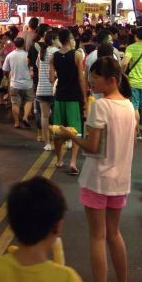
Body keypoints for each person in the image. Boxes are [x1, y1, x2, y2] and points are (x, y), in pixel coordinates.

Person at [60, 57, 137, 282]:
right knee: (114, 234)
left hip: (97, 179)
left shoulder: (100, 106)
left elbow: (92, 147)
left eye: (95, 77)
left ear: (111, 80)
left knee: (97, 236)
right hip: (120, 180)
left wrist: (71, 136)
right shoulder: (129, 106)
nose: (91, 81)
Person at [50, 28, 86, 175]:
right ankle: (72, 162)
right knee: (75, 131)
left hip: (60, 96)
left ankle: (59, 160)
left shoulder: (54, 56)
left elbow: (51, 78)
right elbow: (81, 78)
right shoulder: (77, 55)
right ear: (70, 39)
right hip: (73, 97)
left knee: (59, 130)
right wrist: (84, 98)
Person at [3, 37, 35, 129]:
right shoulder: (28, 55)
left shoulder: (10, 55)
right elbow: (32, 68)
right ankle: (25, 117)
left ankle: (17, 122)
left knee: (15, 103)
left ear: (14, 45)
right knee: (29, 100)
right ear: (23, 44)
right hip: (27, 83)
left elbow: (5, 69)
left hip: (14, 83)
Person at [35, 30, 58, 151]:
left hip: (41, 88)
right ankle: (56, 141)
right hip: (53, 88)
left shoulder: (41, 52)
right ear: (53, 40)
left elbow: (38, 65)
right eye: (58, 39)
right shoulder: (56, 52)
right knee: (55, 116)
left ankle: (47, 143)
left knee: (44, 116)